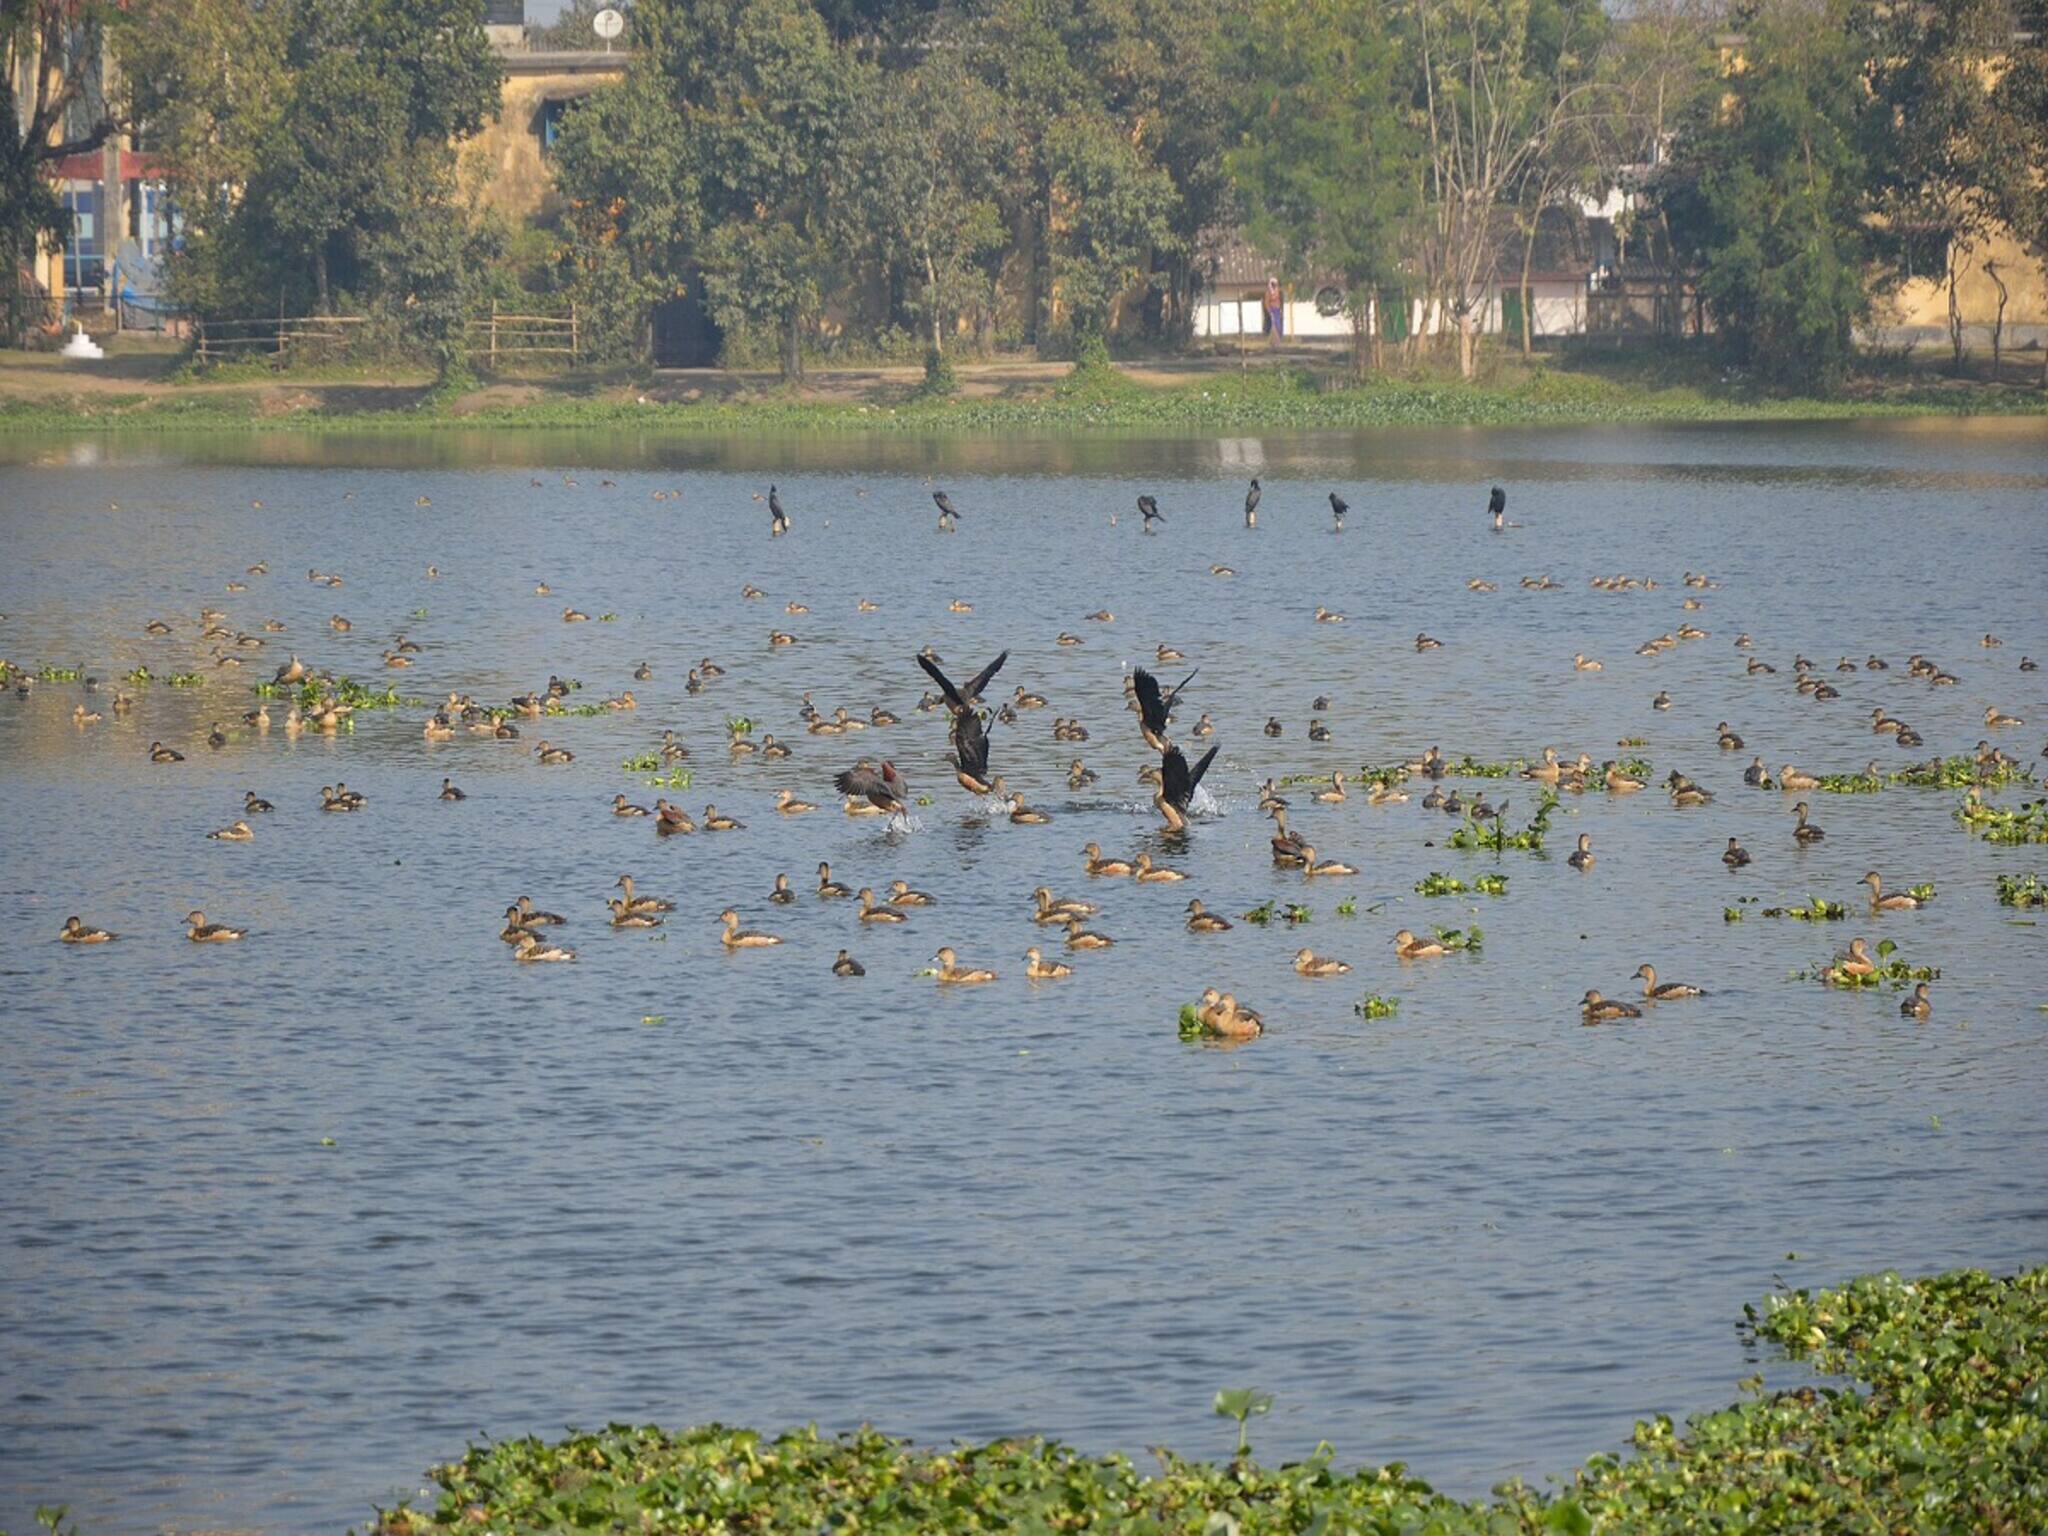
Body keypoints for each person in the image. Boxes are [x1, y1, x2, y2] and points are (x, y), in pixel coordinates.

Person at [1263, 277, 1284, 344]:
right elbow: (1266, 303)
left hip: (1277, 310)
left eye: (1276, 284)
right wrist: (1270, 312)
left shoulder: (1277, 291)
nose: (1275, 285)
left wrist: (1280, 309)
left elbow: (1279, 300)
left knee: (1278, 325)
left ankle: (1278, 340)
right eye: (1274, 284)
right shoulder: (1268, 293)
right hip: (1272, 310)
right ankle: (1274, 341)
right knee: (1274, 325)